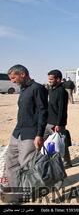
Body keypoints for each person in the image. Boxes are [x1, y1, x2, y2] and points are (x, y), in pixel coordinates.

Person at [4, 65, 48, 203]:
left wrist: (39, 135)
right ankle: (14, 192)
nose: (12, 81)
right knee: (10, 162)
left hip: (31, 133)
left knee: (27, 165)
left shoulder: (37, 88)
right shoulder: (23, 89)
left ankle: (29, 192)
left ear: (22, 74)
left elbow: (43, 112)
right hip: (18, 132)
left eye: (13, 77)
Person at [45, 69, 73, 168]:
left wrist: (59, 124)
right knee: (45, 142)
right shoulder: (51, 90)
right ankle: (48, 160)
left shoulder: (62, 92)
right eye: (49, 79)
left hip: (57, 124)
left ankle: (66, 162)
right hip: (48, 122)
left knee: (61, 143)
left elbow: (62, 110)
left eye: (51, 79)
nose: (49, 81)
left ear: (58, 79)